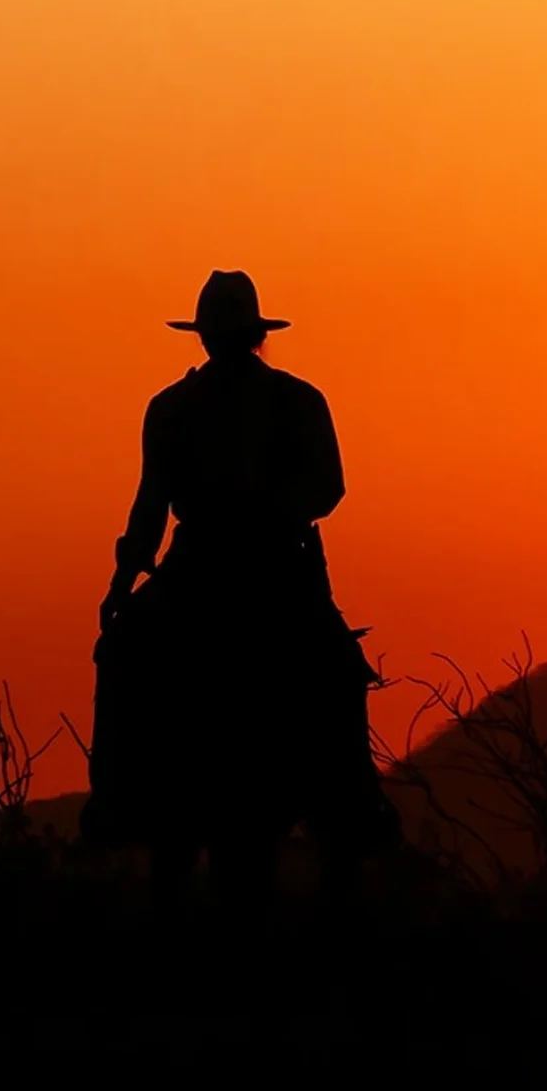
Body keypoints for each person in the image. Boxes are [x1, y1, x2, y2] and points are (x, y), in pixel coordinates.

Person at [85, 270, 392, 872]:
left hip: (232, 563)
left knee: (125, 649)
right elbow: (326, 489)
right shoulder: (289, 400)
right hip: (255, 564)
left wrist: (123, 583)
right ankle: (352, 800)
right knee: (328, 661)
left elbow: (152, 505)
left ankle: (117, 798)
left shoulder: (180, 407)